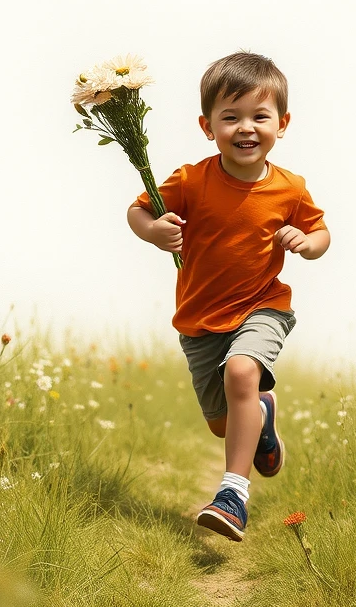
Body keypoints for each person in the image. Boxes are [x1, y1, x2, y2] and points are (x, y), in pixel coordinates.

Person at [127, 51, 330, 541]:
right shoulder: (191, 180)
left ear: (282, 124)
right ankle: (262, 415)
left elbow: (320, 233)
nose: (246, 127)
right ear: (207, 125)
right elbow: (137, 211)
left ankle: (233, 494)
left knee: (243, 371)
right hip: (199, 319)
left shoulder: (290, 189)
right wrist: (155, 231)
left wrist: (306, 244)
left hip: (264, 305)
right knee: (224, 423)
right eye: (230, 116)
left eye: (260, 116)